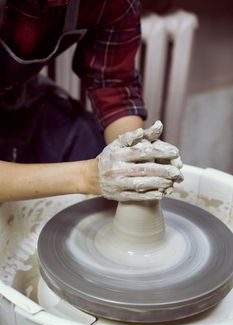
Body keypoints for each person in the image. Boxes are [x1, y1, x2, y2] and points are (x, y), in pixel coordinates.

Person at [0, 0, 182, 202]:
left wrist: (133, 161)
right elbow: (88, 176)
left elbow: (114, 85)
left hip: (15, 95)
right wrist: (86, 176)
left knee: (86, 139)